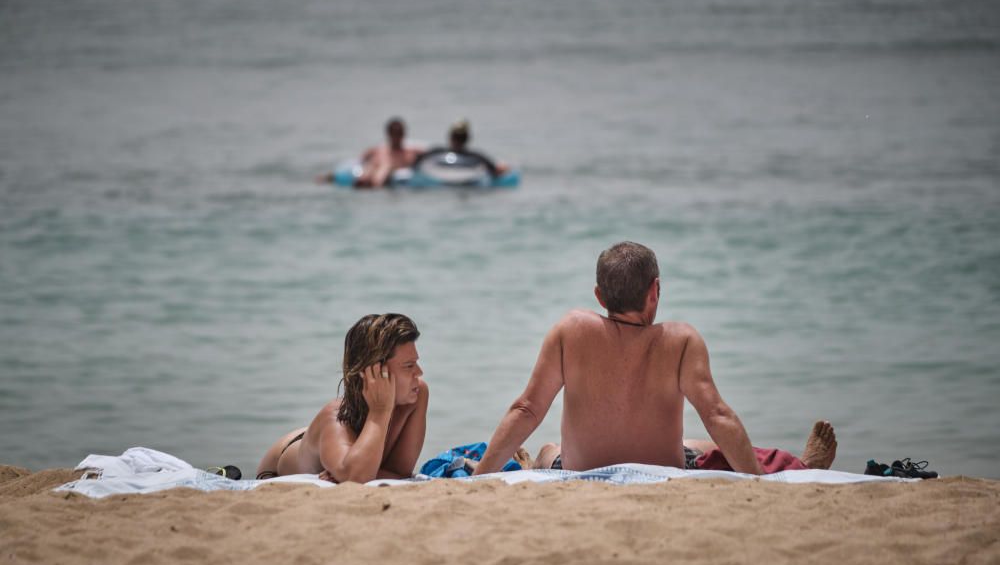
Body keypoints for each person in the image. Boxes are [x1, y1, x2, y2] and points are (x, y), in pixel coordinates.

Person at [472, 241, 838, 476]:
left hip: (580, 468)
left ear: (600, 296)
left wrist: (481, 477)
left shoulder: (570, 330)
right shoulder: (680, 341)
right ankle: (801, 467)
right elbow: (717, 414)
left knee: (549, 449)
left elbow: (527, 410)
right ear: (656, 290)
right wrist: (757, 483)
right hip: (663, 468)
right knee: (712, 447)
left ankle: (531, 463)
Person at [256, 313, 428, 483]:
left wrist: (349, 471)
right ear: (374, 372)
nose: (419, 372)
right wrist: (380, 411)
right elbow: (357, 477)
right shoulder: (335, 417)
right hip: (276, 468)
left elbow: (399, 473)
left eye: (416, 362)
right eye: (409, 366)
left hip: (327, 441)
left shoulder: (416, 395)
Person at [315, 117, 424, 188]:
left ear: (403, 134)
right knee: (371, 168)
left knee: (385, 167)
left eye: (399, 134)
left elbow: (429, 155)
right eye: (394, 134)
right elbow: (356, 163)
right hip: (371, 168)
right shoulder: (378, 150)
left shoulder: (410, 151)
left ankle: (371, 183)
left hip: (386, 172)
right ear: (388, 134)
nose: (397, 137)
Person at [414, 119, 510, 177]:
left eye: (461, 138)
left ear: (466, 139)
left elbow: (494, 170)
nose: (458, 141)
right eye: (456, 137)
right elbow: (416, 163)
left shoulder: (477, 157)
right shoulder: (435, 152)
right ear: (451, 137)